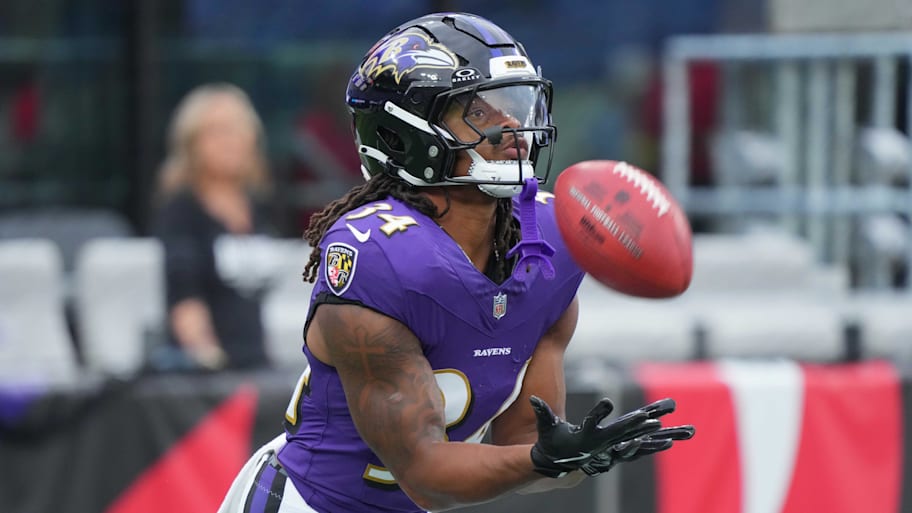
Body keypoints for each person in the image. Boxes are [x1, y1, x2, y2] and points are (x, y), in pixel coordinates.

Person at [218, 12, 694, 513]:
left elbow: (526, 443)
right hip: (310, 503)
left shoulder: (550, 242)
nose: (513, 125)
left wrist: (572, 456)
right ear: (404, 135)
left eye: (516, 102)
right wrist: (541, 462)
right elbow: (426, 474)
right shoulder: (378, 255)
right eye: (481, 110)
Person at [152, 83, 277, 371]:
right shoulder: (181, 210)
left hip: (260, 367)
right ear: (191, 143)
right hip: (209, 374)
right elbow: (184, 296)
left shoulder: (258, 206)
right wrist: (208, 358)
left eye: (238, 129)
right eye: (217, 131)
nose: (230, 141)